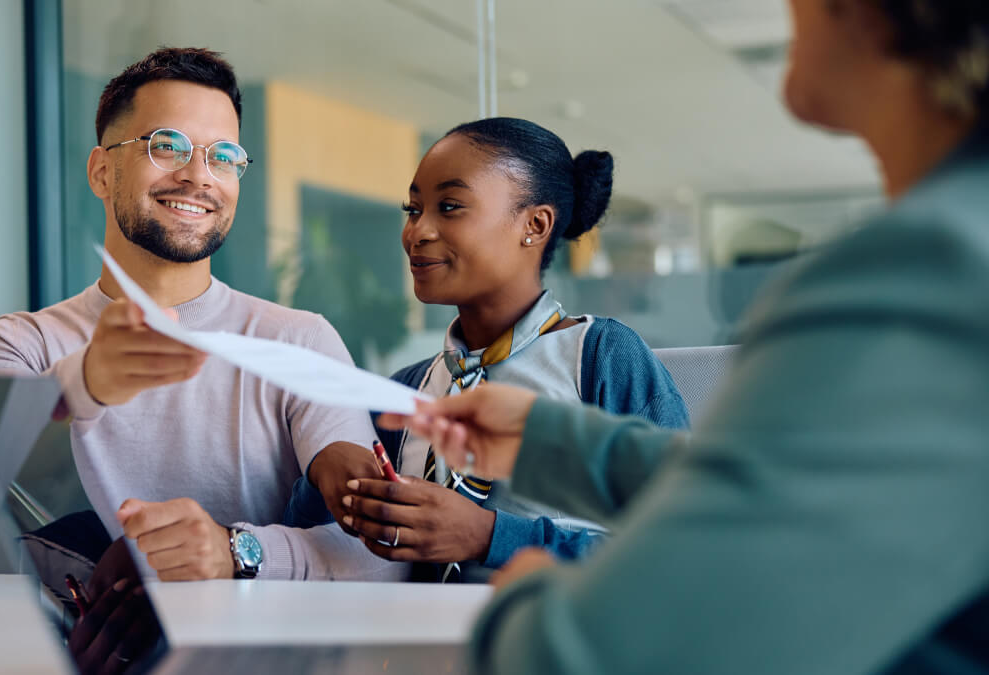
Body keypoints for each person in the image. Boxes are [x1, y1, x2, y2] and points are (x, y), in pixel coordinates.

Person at [379, 1, 989, 672]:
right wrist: (548, 444)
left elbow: (604, 651)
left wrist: (519, 595)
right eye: (414, 208)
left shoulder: (929, 273)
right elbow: (784, 502)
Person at [0, 47, 402, 582]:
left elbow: (370, 556)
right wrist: (90, 380)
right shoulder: (18, 342)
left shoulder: (298, 341)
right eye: (166, 146)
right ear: (102, 172)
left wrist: (236, 551)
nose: (199, 176)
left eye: (224, 157)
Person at [289, 118, 688, 583]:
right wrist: (325, 469)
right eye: (413, 208)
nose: (416, 232)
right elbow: (307, 537)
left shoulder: (602, 357)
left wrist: (489, 536)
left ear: (535, 225)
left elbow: (687, 548)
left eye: (450, 206)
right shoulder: (407, 390)